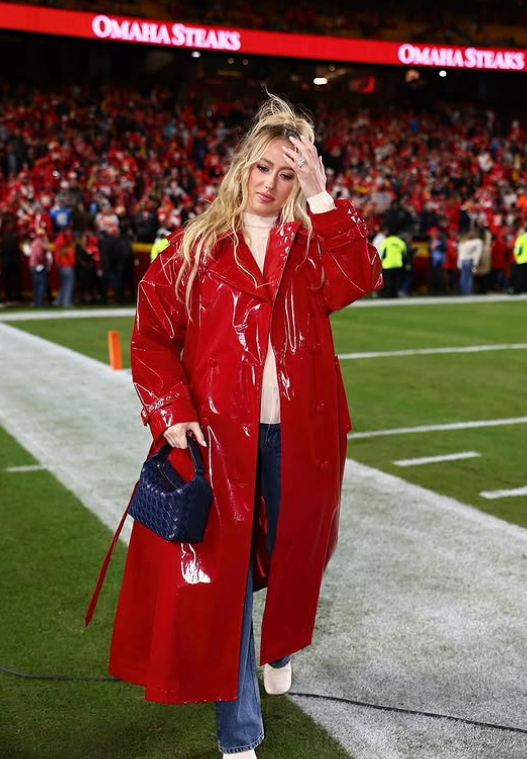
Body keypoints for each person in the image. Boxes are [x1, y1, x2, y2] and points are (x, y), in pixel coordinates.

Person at [107, 95, 382, 757]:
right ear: (240, 168)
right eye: (261, 167)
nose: (270, 182)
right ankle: (239, 737)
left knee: (296, 557)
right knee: (223, 579)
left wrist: (321, 197)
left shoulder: (314, 241)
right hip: (218, 443)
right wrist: (170, 413)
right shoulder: (195, 246)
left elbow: (360, 277)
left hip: (302, 436)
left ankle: (281, 642)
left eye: (286, 173)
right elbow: (149, 340)